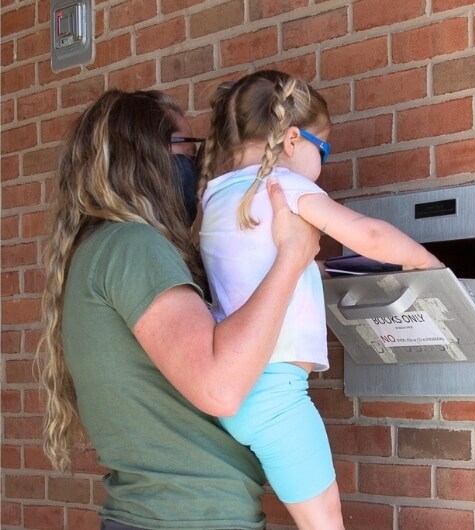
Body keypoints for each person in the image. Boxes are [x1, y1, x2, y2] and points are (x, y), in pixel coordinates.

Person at [36, 89, 321, 530]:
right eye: (189, 148)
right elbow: (220, 388)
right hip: (186, 517)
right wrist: (292, 257)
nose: (200, 163)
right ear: (152, 155)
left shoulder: (99, 251)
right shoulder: (134, 247)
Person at [197, 70, 444, 530]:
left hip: (237, 392)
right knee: (326, 523)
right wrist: (430, 266)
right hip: (277, 397)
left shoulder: (215, 197)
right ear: (291, 140)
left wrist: (318, 274)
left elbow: (252, 268)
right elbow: (367, 234)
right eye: (323, 150)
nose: (322, 164)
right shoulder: (285, 188)